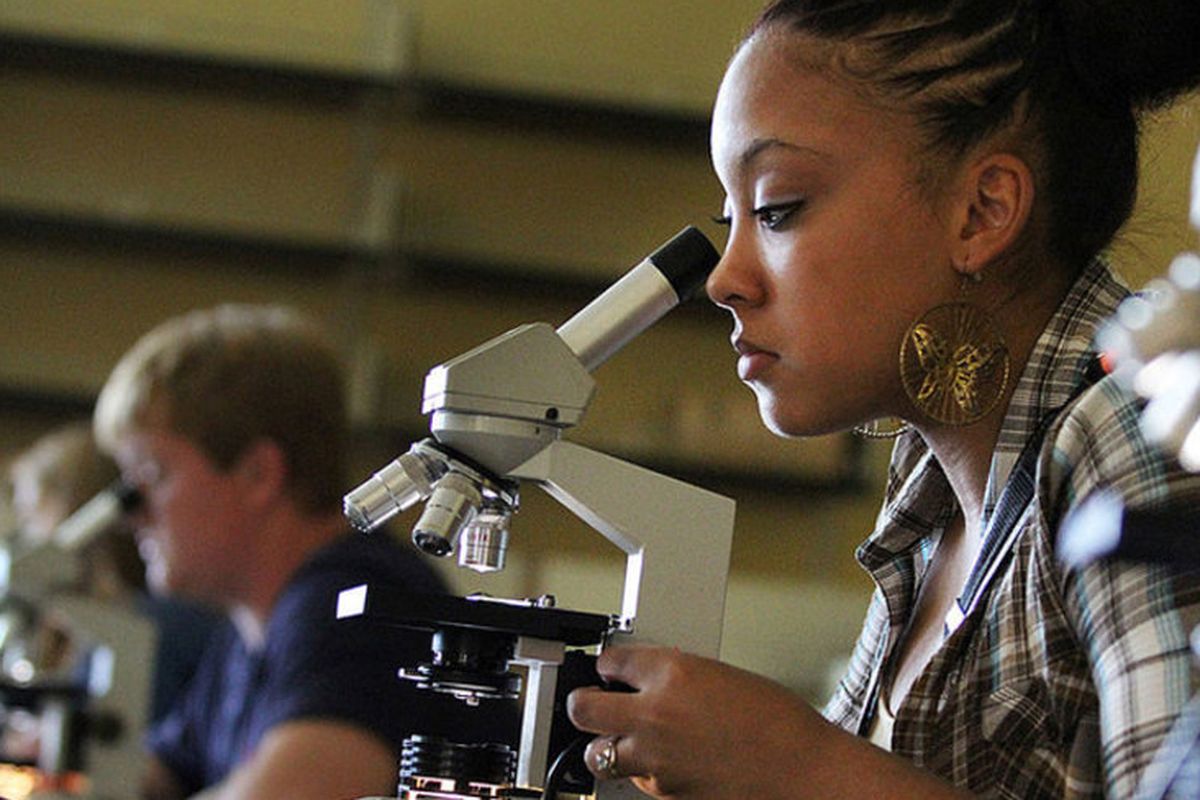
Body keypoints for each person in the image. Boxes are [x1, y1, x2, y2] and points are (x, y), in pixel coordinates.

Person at [567, 1, 1200, 797]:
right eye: (734, 220)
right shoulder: (929, 491)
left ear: (983, 212)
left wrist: (797, 764)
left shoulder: (1136, 441)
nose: (727, 279)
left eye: (777, 210)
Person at [92, 304, 485, 800]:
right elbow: (149, 776)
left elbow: (299, 792)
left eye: (152, 476)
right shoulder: (247, 632)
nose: (134, 513)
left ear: (258, 473)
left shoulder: (358, 600)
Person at [6, 421, 221, 723]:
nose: (27, 539)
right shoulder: (100, 629)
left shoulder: (153, 631)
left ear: (78, 514)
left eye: (34, 515)